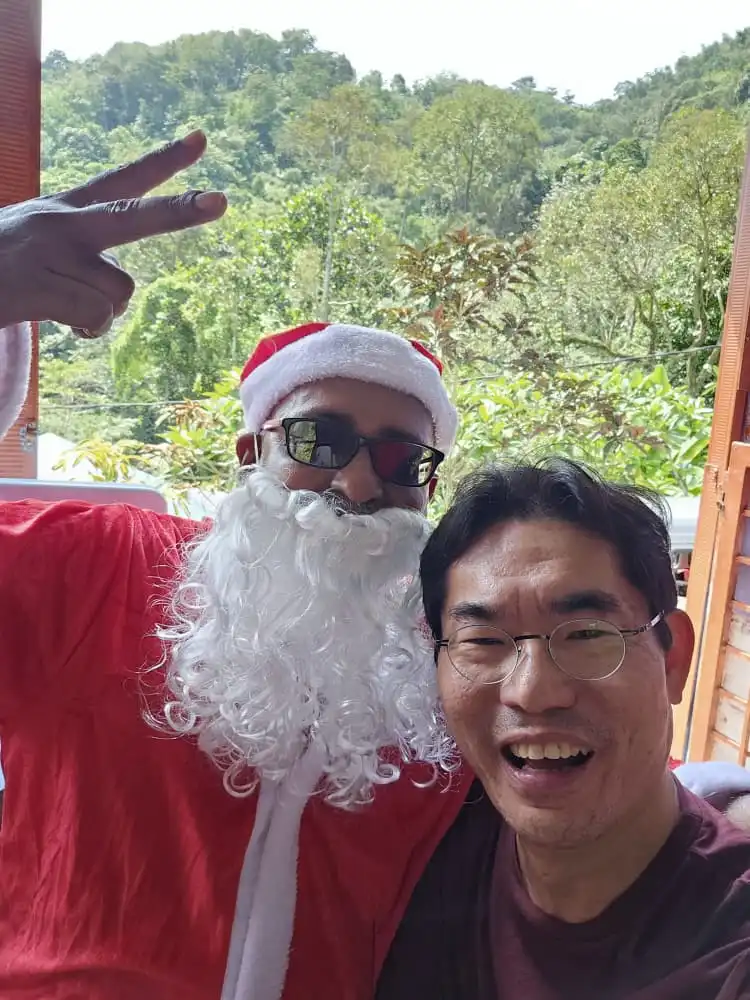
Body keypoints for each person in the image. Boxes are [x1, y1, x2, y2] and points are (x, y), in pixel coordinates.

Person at [0, 138, 748, 1000]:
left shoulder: (456, 650)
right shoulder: (91, 562)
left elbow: (580, 751)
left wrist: (727, 798)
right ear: (250, 452)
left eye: (399, 458)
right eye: (320, 440)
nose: (358, 484)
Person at [379, 459, 750, 999]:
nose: (532, 692)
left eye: (586, 635)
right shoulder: (422, 851)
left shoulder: (730, 948)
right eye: (483, 641)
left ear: (673, 660)